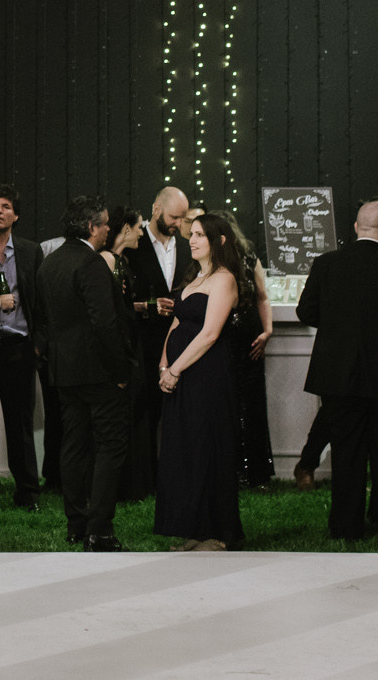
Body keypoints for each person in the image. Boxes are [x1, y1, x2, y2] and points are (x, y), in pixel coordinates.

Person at [295, 200, 378, 540]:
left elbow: (305, 312)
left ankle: (345, 526)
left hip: (339, 375)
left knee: (347, 454)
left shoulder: (327, 264)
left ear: (356, 228)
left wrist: (339, 329)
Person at [38, 196, 129, 551]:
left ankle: (76, 524)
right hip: (99, 371)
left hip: (64, 371)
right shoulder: (91, 264)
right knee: (110, 446)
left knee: (73, 446)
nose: (109, 229)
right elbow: (104, 323)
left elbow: (45, 319)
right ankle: (100, 530)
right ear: (91, 227)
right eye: (105, 223)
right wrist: (120, 369)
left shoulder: (50, 263)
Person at [154, 209, 246, 549]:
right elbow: (176, 325)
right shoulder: (192, 280)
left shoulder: (225, 279)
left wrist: (176, 369)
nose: (191, 240)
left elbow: (209, 334)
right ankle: (194, 529)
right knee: (186, 451)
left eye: (199, 235)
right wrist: (164, 366)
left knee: (208, 448)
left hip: (206, 376)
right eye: (190, 234)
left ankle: (218, 533)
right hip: (180, 377)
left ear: (218, 241)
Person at [0, 185, 47, 509]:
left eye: (5, 206)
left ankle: (28, 494)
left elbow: (42, 301)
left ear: (16, 215)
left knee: (20, 425)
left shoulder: (30, 250)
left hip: (19, 348)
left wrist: (38, 345)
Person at [128, 186, 192, 497]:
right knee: (144, 413)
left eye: (182, 219)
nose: (179, 224)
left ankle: (173, 477)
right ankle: (144, 480)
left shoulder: (188, 247)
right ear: (155, 209)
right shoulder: (132, 243)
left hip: (177, 340)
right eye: (173, 217)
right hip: (141, 341)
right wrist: (145, 307)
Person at [101, 207, 149, 499]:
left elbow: (124, 305)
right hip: (121, 344)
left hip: (133, 339)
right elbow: (111, 309)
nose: (142, 233)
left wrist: (145, 307)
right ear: (127, 229)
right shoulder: (107, 260)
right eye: (139, 227)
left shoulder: (123, 261)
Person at [229, 222, 276, 487]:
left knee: (253, 403)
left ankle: (255, 470)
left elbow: (262, 295)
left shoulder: (247, 257)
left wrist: (267, 330)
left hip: (248, 338)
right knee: (231, 405)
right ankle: (236, 469)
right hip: (227, 338)